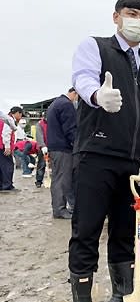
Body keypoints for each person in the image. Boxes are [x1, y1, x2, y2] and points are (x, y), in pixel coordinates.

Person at [69, 0, 140, 302]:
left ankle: (123, 294)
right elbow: (82, 78)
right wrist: (97, 95)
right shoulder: (95, 47)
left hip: (133, 164)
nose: (138, 20)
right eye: (132, 14)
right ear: (116, 17)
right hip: (96, 154)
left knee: (126, 232)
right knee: (87, 231)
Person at [46, 87, 78, 218]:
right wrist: (77, 145)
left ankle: (67, 207)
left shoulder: (55, 103)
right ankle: (59, 210)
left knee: (60, 177)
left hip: (55, 147)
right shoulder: (66, 105)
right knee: (62, 179)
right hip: (62, 148)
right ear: (75, 93)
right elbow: (70, 129)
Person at [0, 107, 23, 191]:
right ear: (17, 113)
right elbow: (5, 133)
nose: (20, 117)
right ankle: (7, 186)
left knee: (1, 166)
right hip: (3, 146)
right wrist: (7, 146)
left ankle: (2, 185)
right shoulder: (9, 120)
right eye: (20, 115)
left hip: (1, 146)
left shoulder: (3, 118)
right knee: (8, 166)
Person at [35, 115, 48, 188]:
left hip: (53, 146)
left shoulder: (55, 122)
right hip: (43, 148)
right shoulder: (40, 124)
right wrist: (43, 146)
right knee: (41, 164)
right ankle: (39, 181)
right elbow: (39, 136)